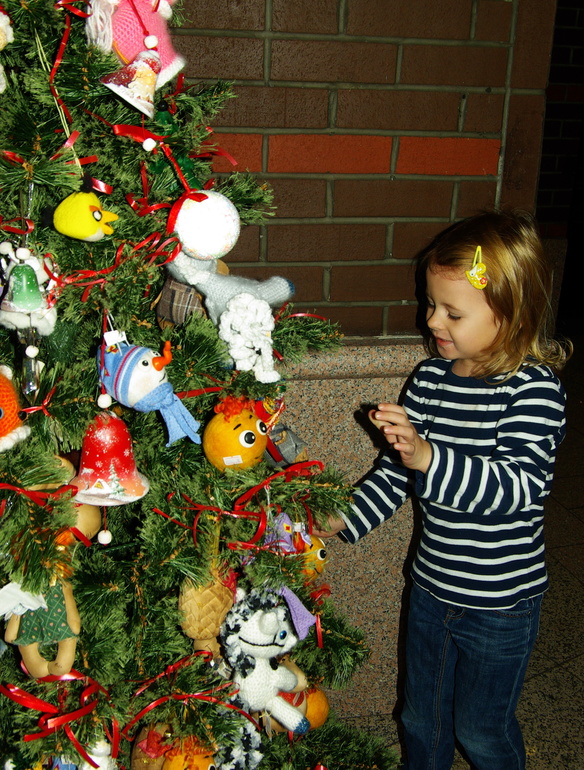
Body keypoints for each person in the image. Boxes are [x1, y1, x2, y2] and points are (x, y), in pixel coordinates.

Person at [315, 210, 572, 770]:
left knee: (481, 728)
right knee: (419, 716)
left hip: (501, 602)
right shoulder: (429, 381)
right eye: (432, 304)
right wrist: (343, 516)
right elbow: (397, 474)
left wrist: (430, 455)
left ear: (511, 312)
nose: (433, 320)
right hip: (432, 587)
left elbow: (519, 488)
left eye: (454, 312)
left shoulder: (534, 390)